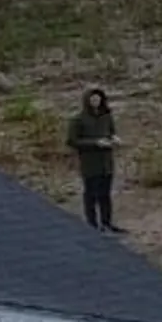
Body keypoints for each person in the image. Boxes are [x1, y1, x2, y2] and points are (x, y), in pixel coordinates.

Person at [69, 87, 120, 231]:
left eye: (98, 99)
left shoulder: (106, 116)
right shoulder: (78, 119)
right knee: (91, 194)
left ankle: (106, 222)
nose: (96, 102)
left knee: (105, 194)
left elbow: (111, 132)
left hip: (106, 162)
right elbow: (72, 141)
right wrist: (95, 143)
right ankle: (91, 223)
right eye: (93, 99)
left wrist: (114, 139)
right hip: (90, 162)